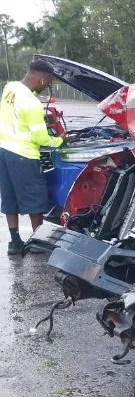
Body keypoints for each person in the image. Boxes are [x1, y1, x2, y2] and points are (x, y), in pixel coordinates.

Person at [0, 60, 64, 255]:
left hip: (3, 150)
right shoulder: (32, 103)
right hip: (24, 155)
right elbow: (41, 138)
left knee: (9, 197)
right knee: (35, 199)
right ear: (42, 78)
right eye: (48, 82)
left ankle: (15, 242)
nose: (48, 86)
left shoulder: (10, 88)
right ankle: (38, 242)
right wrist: (60, 140)